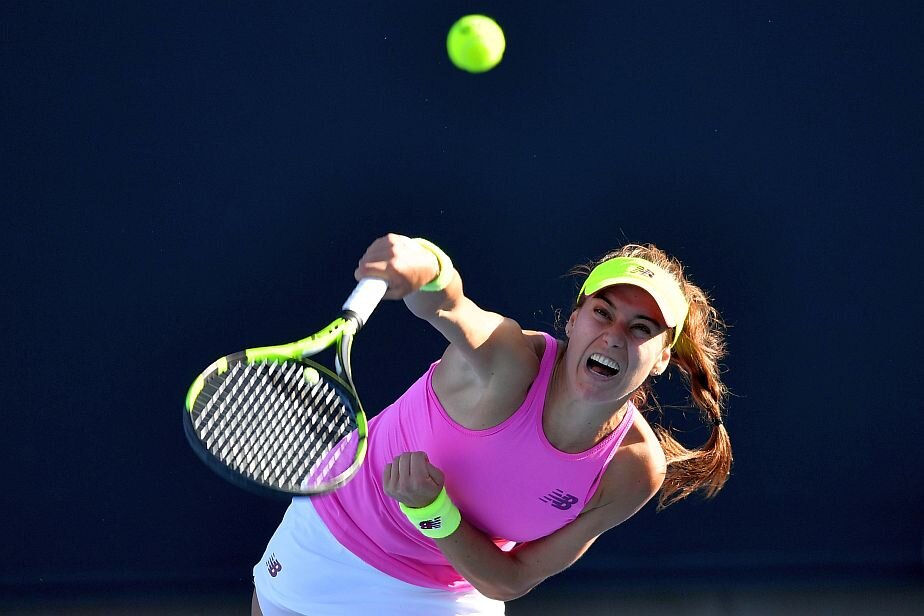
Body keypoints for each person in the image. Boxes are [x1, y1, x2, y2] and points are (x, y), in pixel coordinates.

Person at [252, 233, 731, 616]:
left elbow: (510, 579)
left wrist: (432, 511)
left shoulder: (633, 468)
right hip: (332, 545)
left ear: (663, 357)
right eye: (602, 313)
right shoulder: (508, 360)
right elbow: (447, 305)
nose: (613, 336)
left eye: (641, 328)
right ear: (573, 321)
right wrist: (425, 265)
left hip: (449, 591)